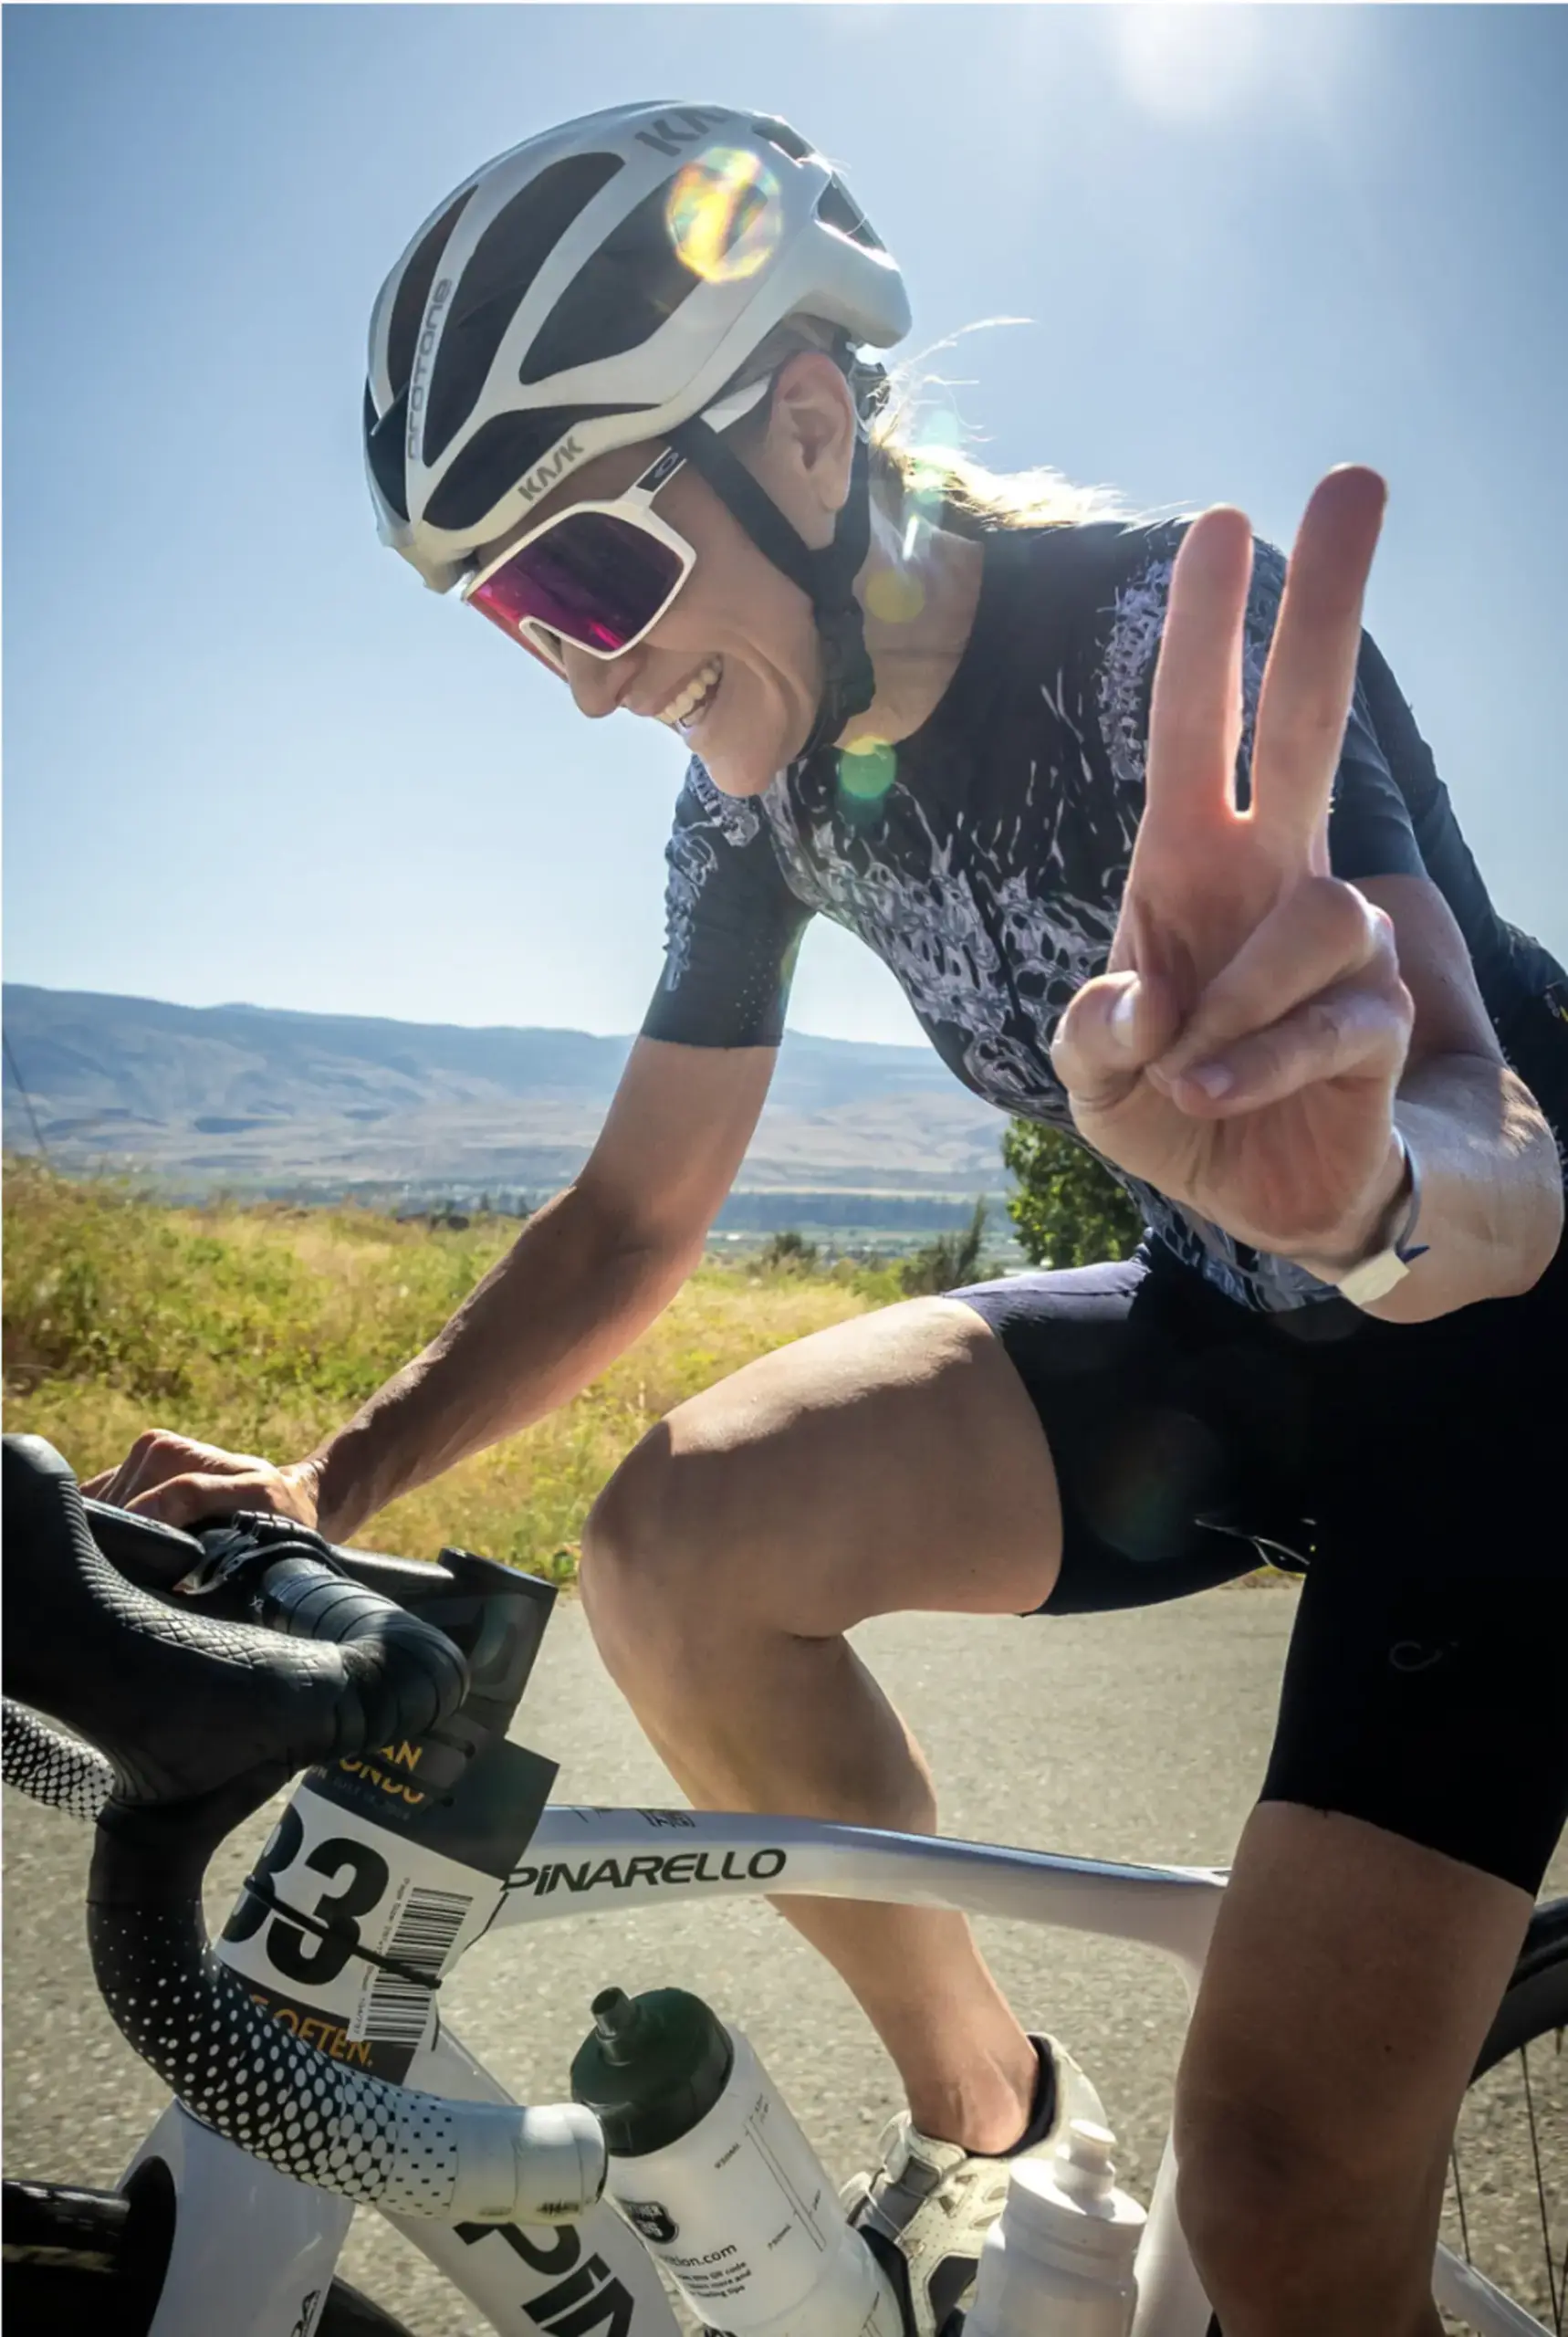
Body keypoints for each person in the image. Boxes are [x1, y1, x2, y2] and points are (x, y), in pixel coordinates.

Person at [86, 102, 1567, 2337]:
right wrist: (329, 1479)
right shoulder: (761, 800)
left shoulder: (1167, 641)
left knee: (1276, 2211)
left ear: (803, 430)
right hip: (1229, 1330)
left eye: (591, 578)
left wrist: (1372, 1193)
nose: (586, 675)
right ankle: (997, 2131)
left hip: (1503, 1356)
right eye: (519, 616)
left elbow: (1494, 1143)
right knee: (675, 1546)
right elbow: (631, 1218)